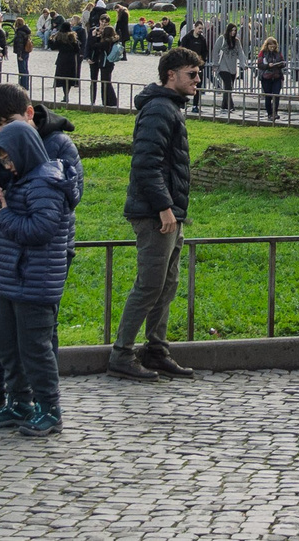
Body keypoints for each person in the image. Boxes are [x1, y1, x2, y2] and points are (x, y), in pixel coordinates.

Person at [0, 116, 76, 437]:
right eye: (2, 160)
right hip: (11, 277)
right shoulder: (22, 180)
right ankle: (19, 402)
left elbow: (38, 230)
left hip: (35, 279)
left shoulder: (47, 183)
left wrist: (2, 213)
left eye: (10, 158)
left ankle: (50, 409)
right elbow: (4, 226)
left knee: (35, 349)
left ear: (25, 150)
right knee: (8, 345)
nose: (7, 165)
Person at [109, 48, 198, 381]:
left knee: (167, 284)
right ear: (170, 75)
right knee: (149, 285)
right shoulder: (159, 108)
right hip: (155, 214)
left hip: (169, 211)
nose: (198, 80)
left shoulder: (169, 107)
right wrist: (163, 208)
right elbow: (146, 164)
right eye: (191, 74)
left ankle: (156, 350)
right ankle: (121, 354)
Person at [255, 37, 287, 123]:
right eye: (270, 46)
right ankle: (269, 113)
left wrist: (280, 64)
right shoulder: (263, 53)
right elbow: (260, 65)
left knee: (276, 95)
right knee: (268, 96)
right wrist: (268, 65)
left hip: (277, 76)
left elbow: (283, 62)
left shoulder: (278, 53)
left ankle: (275, 112)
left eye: (274, 46)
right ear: (267, 45)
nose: (272, 48)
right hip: (266, 77)